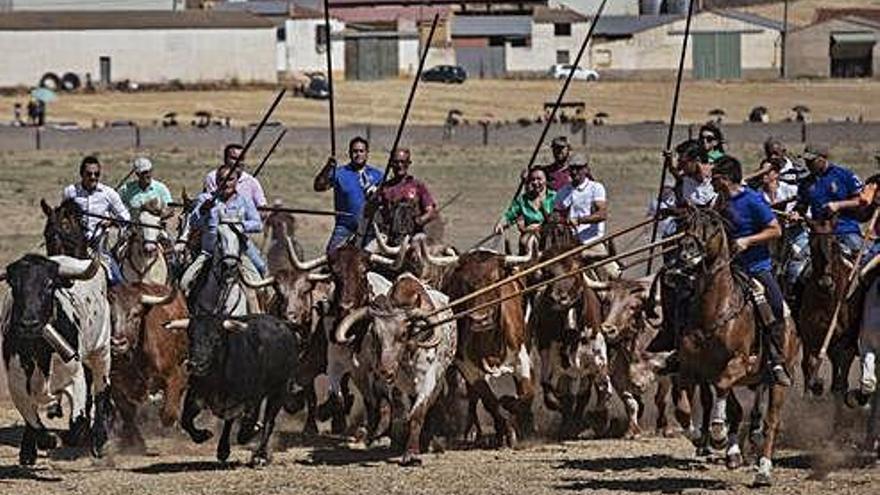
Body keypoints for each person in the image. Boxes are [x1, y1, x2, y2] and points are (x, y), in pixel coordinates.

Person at [711, 156, 791, 386]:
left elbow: (775, 230)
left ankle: (776, 359)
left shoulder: (753, 200)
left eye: (715, 179)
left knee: (774, 305)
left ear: (725, 179)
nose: (712, 184)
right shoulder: (720, 201)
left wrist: (748, 240)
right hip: (726, 268)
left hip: (755, 268)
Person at [180, 166, 264, 297]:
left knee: (260, 276)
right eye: (222, 180)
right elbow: (194, 222)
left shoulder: (245, 201)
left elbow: (258, 224)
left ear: (237, 181)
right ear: (217, 181)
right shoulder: (205, 199)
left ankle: (261, 311)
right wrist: (202, 211)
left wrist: (240, 225)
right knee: (184, 283)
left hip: (238, 251)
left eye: (230, 179)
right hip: (209, 252)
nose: (226, 184)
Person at [62, 155, 131, 284]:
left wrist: (112, 221)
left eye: (96, 174)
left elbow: (125, 217)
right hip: (73, 246)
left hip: (98, 248)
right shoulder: (70, 192)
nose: (93, 177)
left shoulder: (109, 193)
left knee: (118, 281)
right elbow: (63, 215)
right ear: (81, 174)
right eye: (89, 174)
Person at [313, 136, 383, 251]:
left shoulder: (378, 175)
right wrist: (328, 168)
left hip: (369, 229)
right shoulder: (339, 173)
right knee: (332, 256)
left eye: (361, 151)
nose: (358, 154)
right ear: (350, 153)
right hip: (345, 228)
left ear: (367, 153)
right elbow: (318, 187)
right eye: (355, 151)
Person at [554, 155, 619, 278]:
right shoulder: (563, 191)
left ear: (586, 169)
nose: (574, 172)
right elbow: (556, 213)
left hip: (592, 242)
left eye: (578, 168)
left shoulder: (596, 188)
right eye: (572, 168)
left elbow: (602, 214)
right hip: (570, 244)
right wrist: (558, 220)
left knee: (613, 274)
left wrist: (579, 220)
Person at [794, 144, 865, 255]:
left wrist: (839, 205)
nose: (808, 165)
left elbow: (861, 200)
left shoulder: (844, 175)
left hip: (845, 229)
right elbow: (801, 206)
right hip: (819, 233)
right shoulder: (806, 183)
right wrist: (796, 214)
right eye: (806, 161)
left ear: (822, 159)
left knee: (862, 258)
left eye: (811, 161)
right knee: (797, 265)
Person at [376, 148, 437, 238]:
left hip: (414, 236)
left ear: (408, 163)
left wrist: (418, 221)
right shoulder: (384, 188)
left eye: (403, 162)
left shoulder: (417, 185)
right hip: (388, 236)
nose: (399, 165)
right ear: (391, 164)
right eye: (396, 162)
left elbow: (431, 212)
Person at [495, 168, 556, 249]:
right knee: (525, 241)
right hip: (528, 237)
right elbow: (509, 215)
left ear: (546, 180)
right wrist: (500, 224)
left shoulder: (554, 197)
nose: (535, 182)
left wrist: (539, 226)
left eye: (539, 179)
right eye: (533, 179)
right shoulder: (522, 200)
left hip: (551, 237)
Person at [204, 143, 268, 209]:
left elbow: (262, 206)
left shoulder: (251, 181)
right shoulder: (212, 177)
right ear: (225, 159)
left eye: (241, 159)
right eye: (234, 158)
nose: (238, 162)